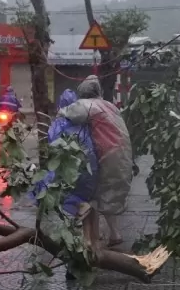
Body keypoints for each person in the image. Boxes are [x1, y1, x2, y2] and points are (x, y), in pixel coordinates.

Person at [57, 75, 133, 248]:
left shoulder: (87, 105)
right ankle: (115, 234)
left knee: (93, 195)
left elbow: (67, 112)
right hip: (122, 153)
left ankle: (92, 241)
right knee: (104, 195)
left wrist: (59, 112)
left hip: (107, 154)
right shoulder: (109, 105)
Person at [30, 90, 100, 254]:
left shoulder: (60, 124)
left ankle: (80, 232)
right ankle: (88, 240)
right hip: (91, 172)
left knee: (47, 187)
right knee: (86, 200)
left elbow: (51, 145)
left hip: (71, 171)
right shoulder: (85, 123)